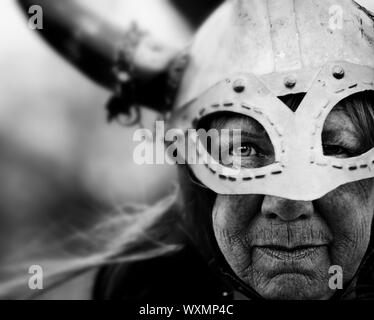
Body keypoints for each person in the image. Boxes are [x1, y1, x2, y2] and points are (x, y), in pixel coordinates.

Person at [17, 0, 374, 300]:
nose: (287, 203)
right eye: (244, 149)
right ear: (197, 185)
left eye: (338, 149)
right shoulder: (143, 293)